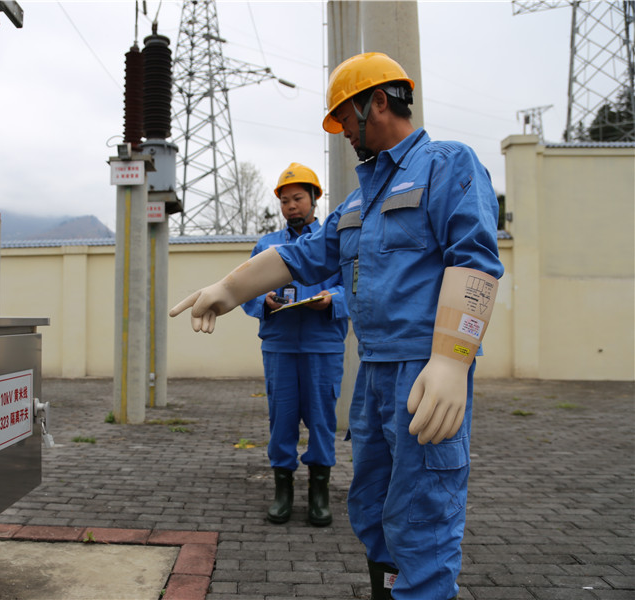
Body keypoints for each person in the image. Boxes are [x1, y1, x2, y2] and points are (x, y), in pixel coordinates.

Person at [170, 51, 503, 600]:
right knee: (372, 504)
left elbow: (475, 263)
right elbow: (300, 257)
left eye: (345, 118)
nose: (344, 131)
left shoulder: (448, 165)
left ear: (377, 102)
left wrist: (450, 359)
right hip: (373, 373)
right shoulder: (359, 199)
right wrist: (229, 290)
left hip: (424, 369)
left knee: (424, 512)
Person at [241, 163, 348, 527]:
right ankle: (282, 491)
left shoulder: (336, 244)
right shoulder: (267, 246)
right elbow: (246, 291)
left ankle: (319, 494)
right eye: (285, 200)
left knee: (321, 421)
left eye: (298, 198)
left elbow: (356, 288)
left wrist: (331, 298)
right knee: (282, 421)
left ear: (316, 199)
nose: (291, 206)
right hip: (280, 347)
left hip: (323, 346)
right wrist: (264, 303)